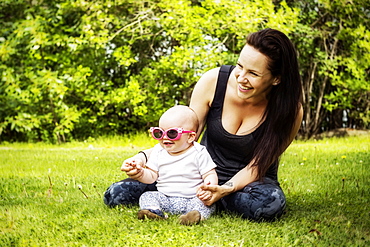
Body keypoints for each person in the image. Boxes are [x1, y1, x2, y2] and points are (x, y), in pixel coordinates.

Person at [104, 28, 303, 222]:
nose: (241, 77)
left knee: (270, 204)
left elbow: (258, 166)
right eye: (239, 66)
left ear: (276, 78)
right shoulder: (214, 81)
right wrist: (142, 159)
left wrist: (224, 189)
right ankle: (191, 200)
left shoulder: (289, 111)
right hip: (199, 179)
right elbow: (184, 136)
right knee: (116, 194)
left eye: (253, 73)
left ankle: (208, 202)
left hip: (247, 185)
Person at [120, 105, 218, 225]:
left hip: (192, 198)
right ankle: (154, 211)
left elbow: (210, 174)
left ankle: (193, 217)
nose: (164, 137)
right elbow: (151, 176)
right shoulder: (158, 151)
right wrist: (140, 173)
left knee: (204, 203)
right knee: (147, 195)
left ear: (190, 137)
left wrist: (209, 187)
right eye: (159, 133)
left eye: (172, 133)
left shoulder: (198, 152)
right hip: (165, 198)